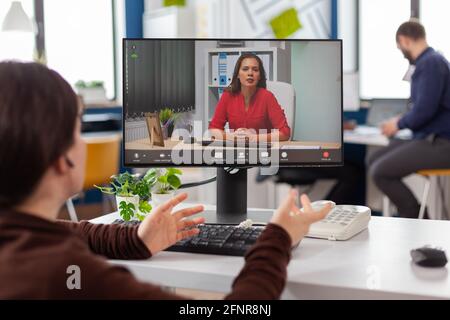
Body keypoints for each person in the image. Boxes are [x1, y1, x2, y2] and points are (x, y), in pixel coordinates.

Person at [0, 61, 331, 299]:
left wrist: (136, 240)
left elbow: (66, 230)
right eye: (78, 130)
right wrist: (278, 239)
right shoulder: (73, 277)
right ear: (63, 160)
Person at [368, 20, 450, 218]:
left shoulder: (430, 63)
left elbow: (424, 110)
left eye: (399, 48)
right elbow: (426, 106)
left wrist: (397, 124)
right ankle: (412, 212)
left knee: (380, 171)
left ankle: (414, 215)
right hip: (429, 138)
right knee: (373, 159)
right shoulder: (431, 61)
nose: (401, 52)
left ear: (404, 40)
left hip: (441, 143)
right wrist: (402, 120)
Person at [209, 53, 291, 143]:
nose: (250, 73)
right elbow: (213, 130)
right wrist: (234, 137)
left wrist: (253, 138)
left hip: (262, 150)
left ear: (259, 76)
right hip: (236, 150)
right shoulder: (228, 96)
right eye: (245, 69)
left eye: (255, 70)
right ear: (238, 75)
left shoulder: (267, 97)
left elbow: (285, 133)